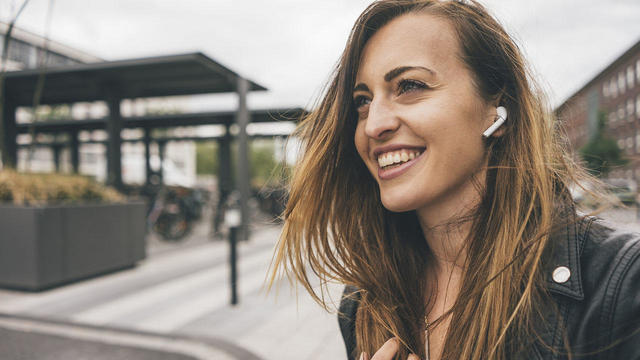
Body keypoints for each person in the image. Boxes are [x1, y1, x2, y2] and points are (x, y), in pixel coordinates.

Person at [269, 1, 640, 359]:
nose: (375, 123)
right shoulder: (364, 300)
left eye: (409, 85)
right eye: (362, 101)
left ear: (496, 109)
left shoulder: (620, 283)